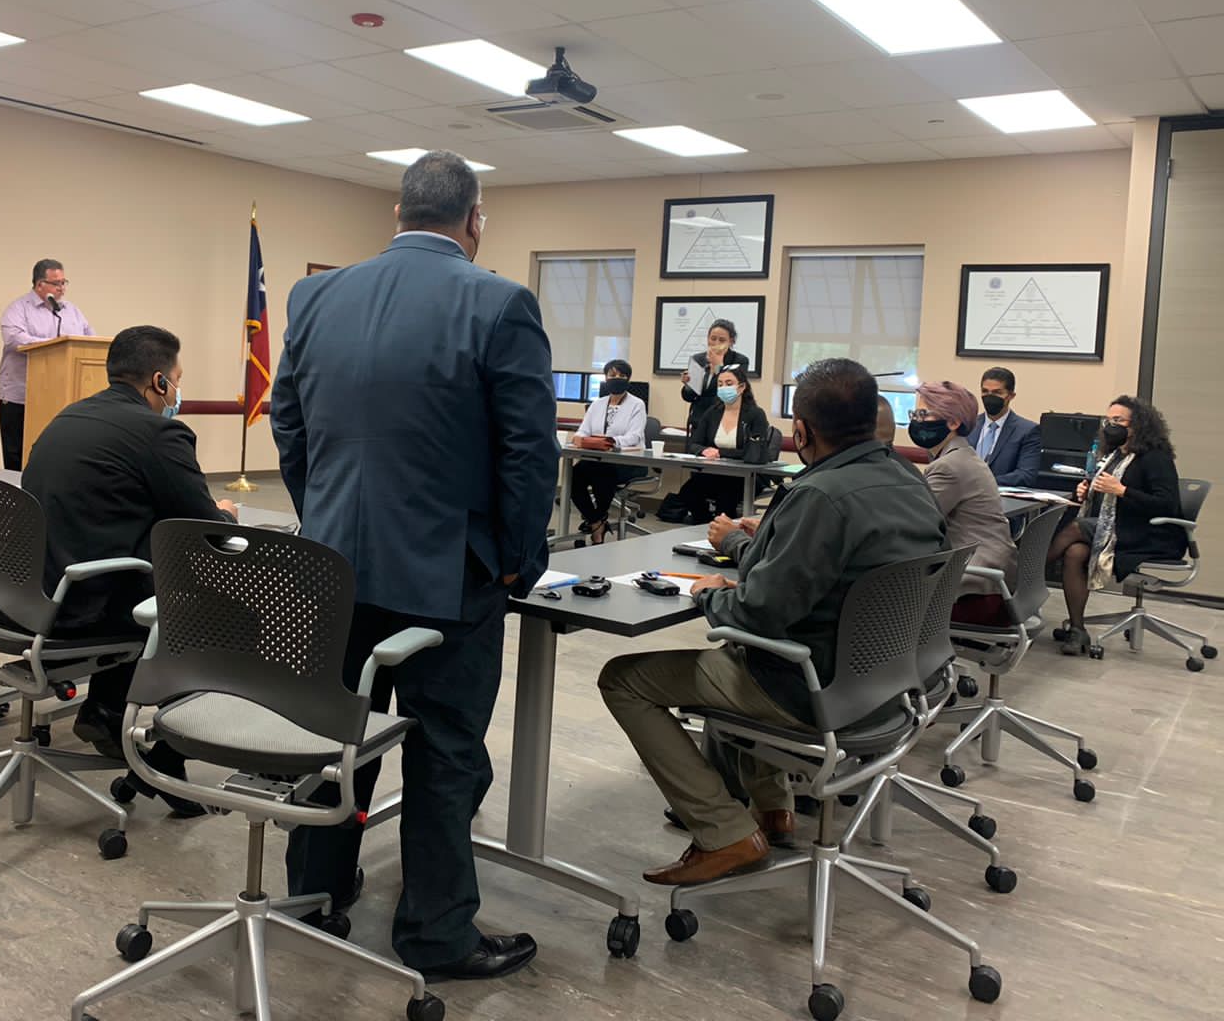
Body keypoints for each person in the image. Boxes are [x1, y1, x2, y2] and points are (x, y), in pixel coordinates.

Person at [272, 151, 556, 981]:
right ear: (475, 222)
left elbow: (290, 424)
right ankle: (435, 936)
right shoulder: (501, 302)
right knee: (444, 754)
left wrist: (323, 514)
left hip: (332, 568)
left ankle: (315, 895)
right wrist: (518, 560)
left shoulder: (314, 296)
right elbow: (528, 451)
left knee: (335, 738)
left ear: (396, 214)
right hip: (449, 576)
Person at [599, 358, 946, 886]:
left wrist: (712, 594)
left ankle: (725, 832)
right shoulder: (910, 481)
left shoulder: (821, 496)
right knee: (737, 656)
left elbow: (758, 612)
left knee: (625, 680)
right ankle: (774, 809)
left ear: (801, 431)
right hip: (889, 686)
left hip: (814, 691)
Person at [15, 324, 236, 815]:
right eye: (177, 380)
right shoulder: (160, 432)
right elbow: (205, 529)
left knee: (141, 573)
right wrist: (226, 514)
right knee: (218, 606)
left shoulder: (68, 416)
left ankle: (107, 708)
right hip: (84, 607)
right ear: (159, 381)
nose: (177, 392)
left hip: (31, 593)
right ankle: (166, 759)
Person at [1046, 396, 1186, 655]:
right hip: (1117, 528)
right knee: (1075, 552)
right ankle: (1077, 629)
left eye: (1118, 420)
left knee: (1076, 527)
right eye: (1108, 420)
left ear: (1138, 425)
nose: (1111, 426)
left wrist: (1122, 490)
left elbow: (1167, 505)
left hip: (1150, 534)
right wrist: (1084, 492)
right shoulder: (1115, 455)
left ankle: (1027, 574)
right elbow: (1102, 497)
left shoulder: (1155, 458)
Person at [908, 381, 1017, 627]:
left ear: (953, 423)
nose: (916, 420)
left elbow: (915, 522)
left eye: (923, 414)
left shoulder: (948, 466)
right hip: (993, 583)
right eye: (914, 414)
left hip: (975, 595)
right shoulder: (963, 456)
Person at [0, 259, 93, 471]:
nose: (62, 288)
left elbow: (88, 341)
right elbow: (14, 339)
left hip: (62, 399)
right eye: (56, 283)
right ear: (39, 284)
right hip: (21, 398)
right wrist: (53, 346)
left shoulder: (72, 311)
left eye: (64, 282)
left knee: (56, 458)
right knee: (18, 459)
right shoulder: (18, 309)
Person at [674, 365, 772, 522]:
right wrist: (704, 450)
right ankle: (705, 524)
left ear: (741, 387)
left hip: (744, 476)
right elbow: (694, 443)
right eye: (720, 384)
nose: (723, 388)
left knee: (725, 500)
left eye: (729, 383)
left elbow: (753, 452)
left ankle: (723, 529)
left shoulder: (755, 414)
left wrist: (721, 453)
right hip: (716, 472)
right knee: (688, 493)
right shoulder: (712, 413)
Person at [567, 358, 646, 544]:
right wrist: (580, 438)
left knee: (602, 472)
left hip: (627, 461)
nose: (616, 378)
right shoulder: (597, 404)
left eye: (621, 375)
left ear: (628, 379)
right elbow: (583, 430)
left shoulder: (637, 404)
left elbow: (634, 436)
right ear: (605, 378)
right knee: (574, 475)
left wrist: (610, 441)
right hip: (598, 459)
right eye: (612, 375)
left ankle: (597, 521)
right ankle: (597, 520)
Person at [967, 366, 1040, 488]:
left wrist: (985, 482)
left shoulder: (1027, 431)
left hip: (1000, 494)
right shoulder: (969, 425)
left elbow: (1026, 475)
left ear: (1011, 396)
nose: (989, 397)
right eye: (985, 391)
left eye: (997, 392)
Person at [680, 318, 749, 433]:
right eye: (713, 338)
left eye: (722, 340)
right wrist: (688, 385)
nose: (716, 343)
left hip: (724, 421)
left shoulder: (739, 361)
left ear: (731, 342)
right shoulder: (698, 359)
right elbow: (689, 397)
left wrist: (718, 366)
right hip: (699, 421)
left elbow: (732, 392)